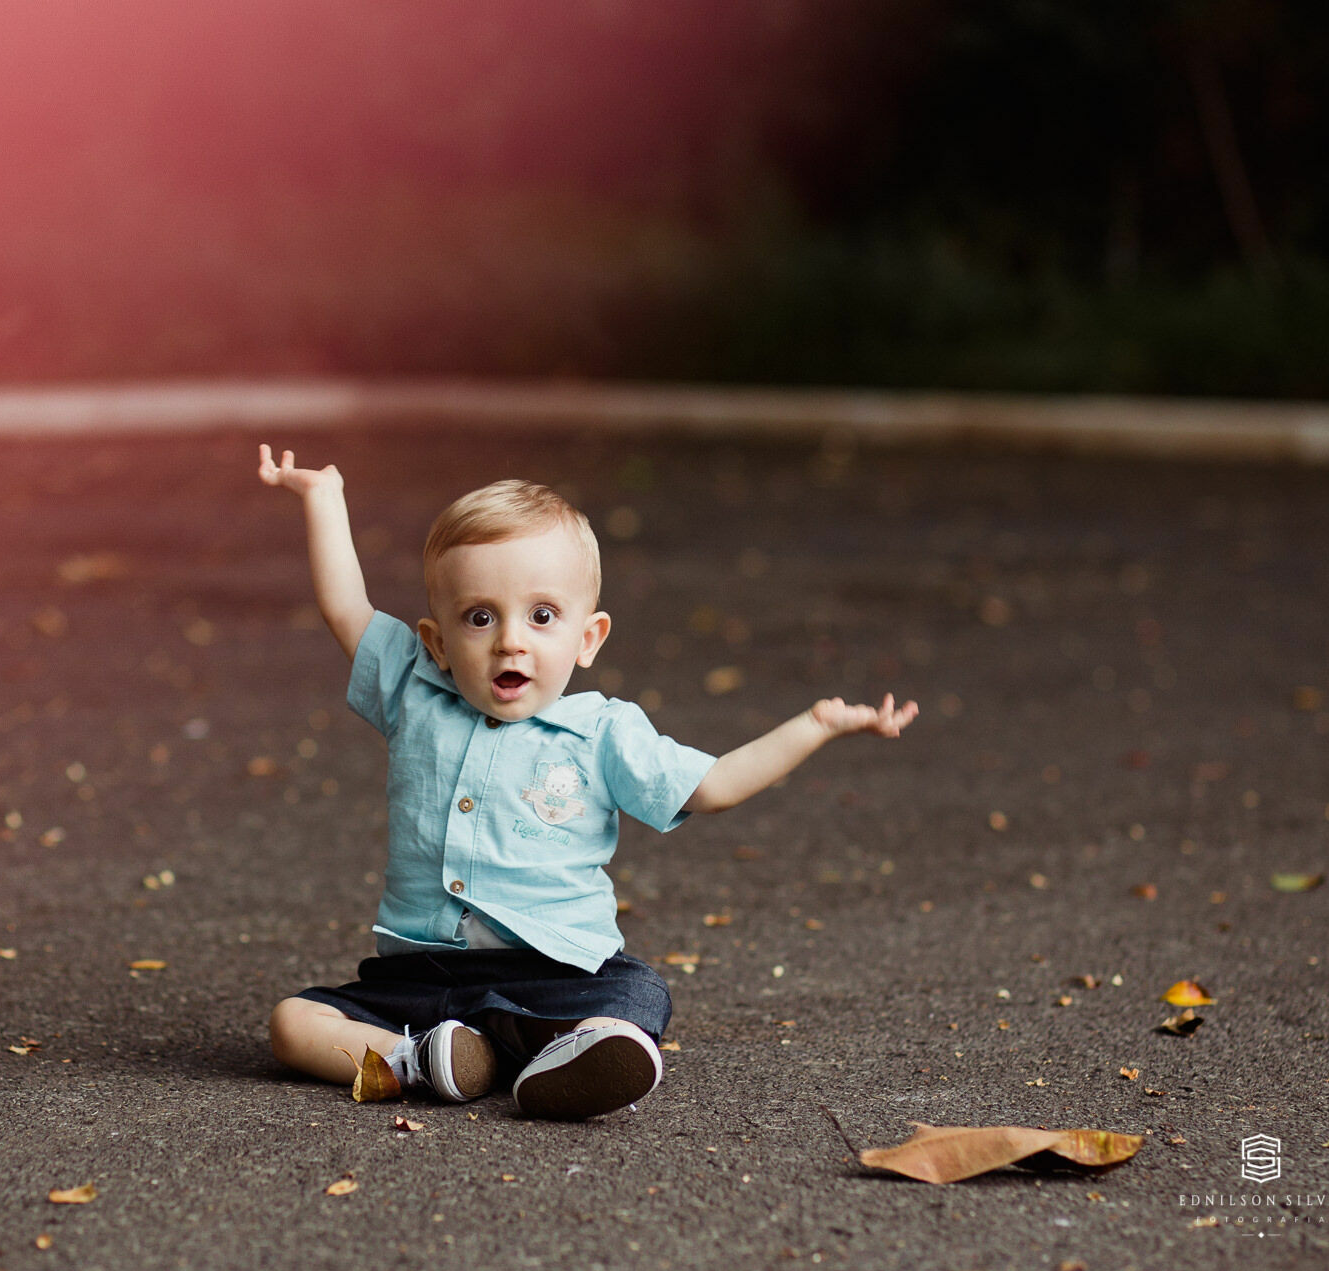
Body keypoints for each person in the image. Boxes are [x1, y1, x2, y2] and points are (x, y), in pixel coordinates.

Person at [257, 445, 918, 1119]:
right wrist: (324, 496)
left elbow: (712, 785)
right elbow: (346, 607)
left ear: (588, 637)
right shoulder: (414, 692)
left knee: (635, 1000)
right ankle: (426, 1061)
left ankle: (573, 1050)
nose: (510, 640)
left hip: (555, 971)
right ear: (435, 642)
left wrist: (813, 725)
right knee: (293, 1023)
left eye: (541, 616)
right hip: (423, 975)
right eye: (479, 617)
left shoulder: (603, 734)